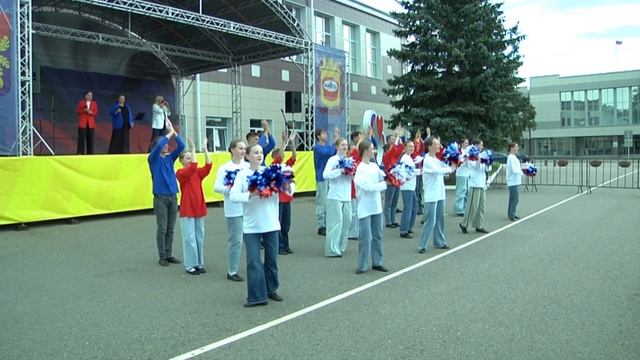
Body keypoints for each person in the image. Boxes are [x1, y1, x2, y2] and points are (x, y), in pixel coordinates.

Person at [230, 143, 292, 307]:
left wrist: (283, 185)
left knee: (272, 259)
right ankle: (257, 296)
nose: (259, 155)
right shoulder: (242, 175)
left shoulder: (270, 172)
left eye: (261, 153)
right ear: (247, 156)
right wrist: (252, 194)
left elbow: (290, 189)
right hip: (251, 226)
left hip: (271, 224)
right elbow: (234, 196)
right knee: (253, 261)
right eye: (255, 152)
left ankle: (271, 289)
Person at [148, 120, 185, 266]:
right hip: (160, 198)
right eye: (164, 144)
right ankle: (162, 256)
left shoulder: (170, 158)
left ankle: (169, 254)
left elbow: (181, 146)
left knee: (170, 228)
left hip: (173, 197)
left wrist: (173, 132)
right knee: (162, 228)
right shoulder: (153, 159)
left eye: (167, 144)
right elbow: (158, 147)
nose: (167, 145)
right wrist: (169, 134)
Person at [214, 139, 249, 282]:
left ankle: (253, 266)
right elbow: (217, 187)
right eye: (240, 148)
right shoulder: (225, 168)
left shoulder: (248, 166)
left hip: (249, 208)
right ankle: (232, 270)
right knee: (236, 241)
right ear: (232, 149)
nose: (243, 151)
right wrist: (231, 188)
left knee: (252, 240)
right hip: (234, 209)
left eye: (244, 149)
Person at [176, 137, 212, 275]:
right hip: (187, 209)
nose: (190, 159)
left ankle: (199, 263)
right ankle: (190, 264)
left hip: (198, 208)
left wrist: (205, 148)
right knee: (189, 238)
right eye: (187, 157)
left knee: (199, 237)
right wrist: (192, 148)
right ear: (181, 161)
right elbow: (193, 167)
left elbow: (208, 166)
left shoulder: (196, 172)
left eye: (191, 157)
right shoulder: (181, 173)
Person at [353, 140, 389, 274]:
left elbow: (383, 178)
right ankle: (362, 264)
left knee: (378, 235)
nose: (373, 151)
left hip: (376, 206)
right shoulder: (360, 168)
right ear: (365, 151)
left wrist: (387, 180)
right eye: (372, 149)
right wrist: (382, 186)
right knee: (365, 237)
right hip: (364, 207)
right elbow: (366, 186)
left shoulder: (374, 166)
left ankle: (377, 262)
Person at [418, 137, 455, 253]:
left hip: (440, 193)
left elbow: (443, 166)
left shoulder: (435, 159)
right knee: (430, 221)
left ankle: (439, 241)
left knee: (440, 219)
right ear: (429, 147)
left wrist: (455, 160)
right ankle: (422, 245)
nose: (438, 146)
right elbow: (437, 171)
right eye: (436, 144)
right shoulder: (427, 160)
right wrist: (451, 168)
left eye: (438, 144)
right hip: (431, 195)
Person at [322, 137, 353, 257]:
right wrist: (339, 171)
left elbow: (352, 175)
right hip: (335, 195)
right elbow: (325, 174)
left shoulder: (348, 160)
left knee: (347, 221)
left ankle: (341, 246)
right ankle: (332, 249)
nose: (345, 147)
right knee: (336, 222)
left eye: (346, 145)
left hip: (347, 195)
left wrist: (351, 172)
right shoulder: (332, 160)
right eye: (342, 145)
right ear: (337, 147)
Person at [270, 130, 297, 255]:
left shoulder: (286, 166)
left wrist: (292, 143)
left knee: (286, 224)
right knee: (279, 223)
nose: (282, 157)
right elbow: (280, 155)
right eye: (279, 156)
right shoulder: (274, 166)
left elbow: (294, 157)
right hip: (279, 199)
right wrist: (283, 141)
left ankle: (286, 245)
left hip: (287, 198)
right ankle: (279, 246)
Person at [459, 139, 491, 234]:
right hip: (475, 183)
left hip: (482, 184)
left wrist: (487, 162)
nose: (482, 147)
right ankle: (464, 224)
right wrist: (479, 160)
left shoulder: (482, 154)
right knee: (473, 206)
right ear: (476, 145)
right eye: (480, 145)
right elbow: (474, 167)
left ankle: (478, 225)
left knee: (481, 206)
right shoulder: (471, 155)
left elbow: (488, 168)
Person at [312, 128, 338, 236]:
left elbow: (334, 152)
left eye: (326, 133)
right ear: (318, 136)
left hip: (328, 177)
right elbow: (329, 152)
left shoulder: (327, 146)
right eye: (324, 133)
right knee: (322, 202)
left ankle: (327, 223)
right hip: (321, 177)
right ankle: (321, 225)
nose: (326, 135)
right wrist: (335, 141)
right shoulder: (317, 147)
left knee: (328, 202)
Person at [382, 126, 405, 228]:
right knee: (389, 201)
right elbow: (395, 149)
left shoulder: (394, 156)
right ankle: (388, 221)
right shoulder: (386, 156)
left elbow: (400, 148)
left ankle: (393, 219)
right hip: (390, 180)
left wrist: (399, 138)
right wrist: (397, 136)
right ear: (387, 149)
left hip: (396, 179)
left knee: (395, 201)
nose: (393, 149)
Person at [399, 140, 418, 239]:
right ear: (405, 147)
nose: (412, 148)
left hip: (411, 186)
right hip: (407, 186)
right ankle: (404, 230)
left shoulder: (409, 158)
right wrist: (418, 172)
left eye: (413, 146)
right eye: (410, 146)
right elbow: (407, 173)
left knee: (414, 207)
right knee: (408, 208)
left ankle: (409, 226)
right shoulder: (405, 158)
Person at [453, 138, 470, 216]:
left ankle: (465, 207)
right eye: (465, 143)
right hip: (461, 173)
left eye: (467, 143)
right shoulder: (459, 151)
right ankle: (458, 209)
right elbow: (458, 161)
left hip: (467, 173)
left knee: (467, 191)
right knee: (461, 191)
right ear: (462, 143)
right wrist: (464, 157)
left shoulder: (469, 151)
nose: (467, 144)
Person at [506, 142, 522, 221]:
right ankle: (512, 214)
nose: (517, 148)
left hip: (515, 181)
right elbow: (514, 169)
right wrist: (521, 171)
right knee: (515, 199)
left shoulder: (513, 157)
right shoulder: (511, 157)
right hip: (513, 181)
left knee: (512, 198)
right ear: (512, 148)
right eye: (516, 147)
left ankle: (511, 213)